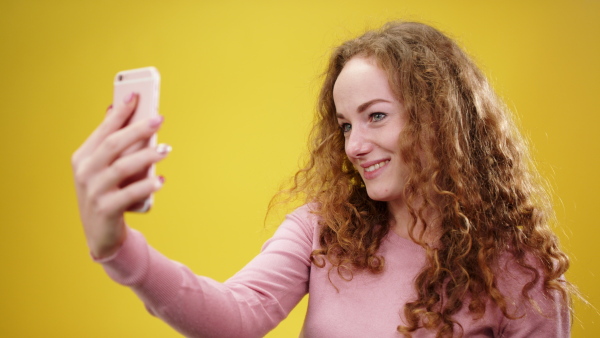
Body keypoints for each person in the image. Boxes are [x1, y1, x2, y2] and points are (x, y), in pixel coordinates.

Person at [72, 21, 573, 337]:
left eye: (376, 116)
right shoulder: (323, 229)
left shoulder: (517, 268)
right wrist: (118, 247)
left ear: (439, 117)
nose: (354, 146)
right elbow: (235, 316)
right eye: (346, 125)